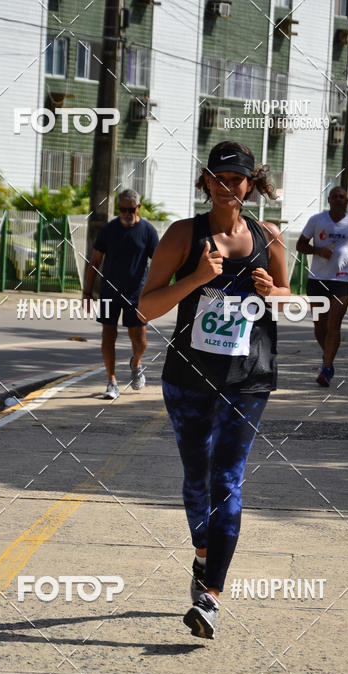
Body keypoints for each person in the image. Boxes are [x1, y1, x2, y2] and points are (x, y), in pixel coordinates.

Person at [139, 141, 290, 640]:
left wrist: (274, 293)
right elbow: (145, 307)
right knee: (197, 476)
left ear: (252, 183)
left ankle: (211, 597)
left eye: (237, 178)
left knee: (227, 479)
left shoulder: (269, 237)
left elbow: (291, 301)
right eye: (219, 178)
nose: (228, 186)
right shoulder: (184, 235)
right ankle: (203, 554)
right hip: (189, 378)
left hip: (248, 378)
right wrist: (198, 279)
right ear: (206, 181)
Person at [83, 189, 159, 400]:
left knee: (140, 340)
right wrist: (87, 292)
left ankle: (136, 362)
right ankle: (112, 381)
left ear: (138, 208)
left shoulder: (148, 231)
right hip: (110, 292)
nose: (126, 214)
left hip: (137, 294)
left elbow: (159, 264)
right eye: (122, 209)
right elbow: (95, 262)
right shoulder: (108, 230)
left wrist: (156, 291)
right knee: (109, 335)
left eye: (131, 210)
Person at [296, 186, 348, 387]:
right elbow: (300, 245)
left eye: (341, 197)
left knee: (333, 326)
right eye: (334, 196)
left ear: (347, 200)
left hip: (342, 281)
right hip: (318, 280)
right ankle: (328, 356)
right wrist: (318, 251)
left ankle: (327, 368)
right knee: (320, 328)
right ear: (329, 200)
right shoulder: (317, 220)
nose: (338, 199)